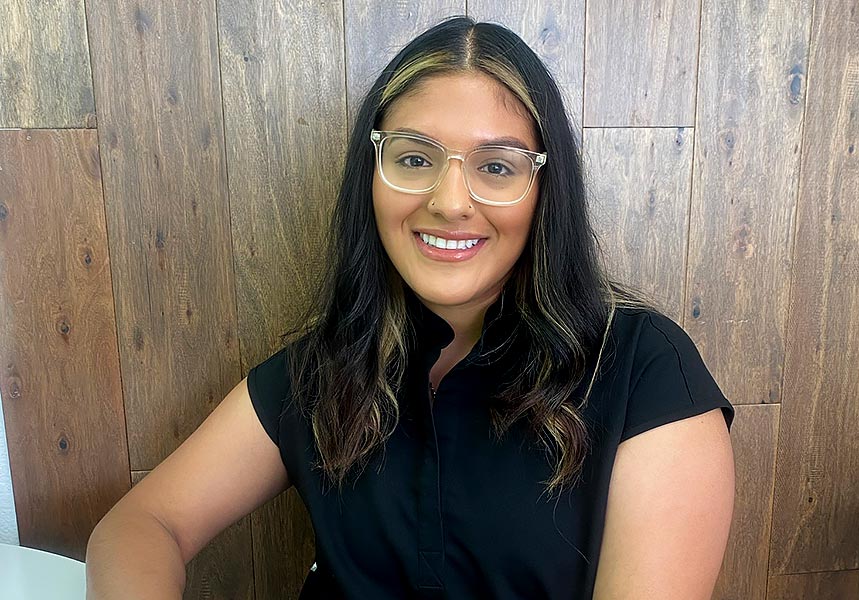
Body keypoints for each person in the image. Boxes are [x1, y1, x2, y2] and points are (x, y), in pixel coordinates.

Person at [85, 16, 735, 600]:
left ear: (545, 188)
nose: (451, 201)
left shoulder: (643, 372)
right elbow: (142, 524)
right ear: (373, 172)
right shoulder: (324, 366)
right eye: (415, 158)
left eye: (498, 167)